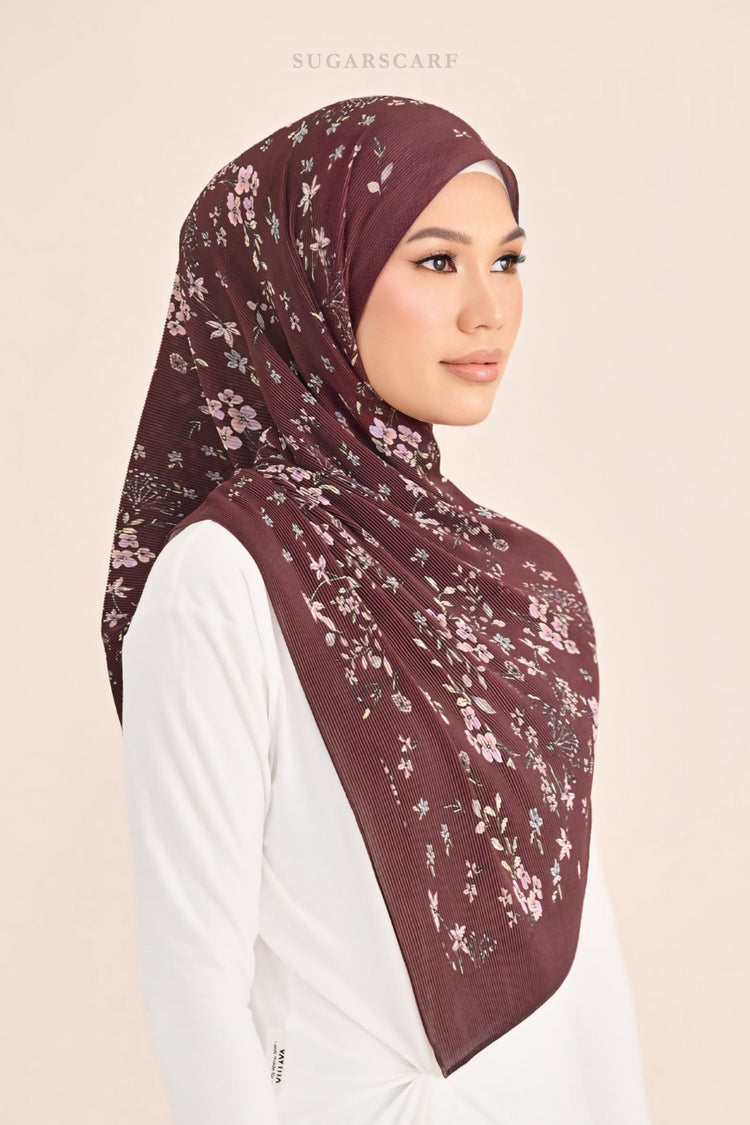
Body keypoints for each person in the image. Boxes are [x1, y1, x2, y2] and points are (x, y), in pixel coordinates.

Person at [101, 94, 652, 1122]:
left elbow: (580, 940)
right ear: (309, 279)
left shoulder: (525, 587)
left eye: (508, 261)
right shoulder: (224, 579)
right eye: (438, 262)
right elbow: (194, 982)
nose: (489, 310)